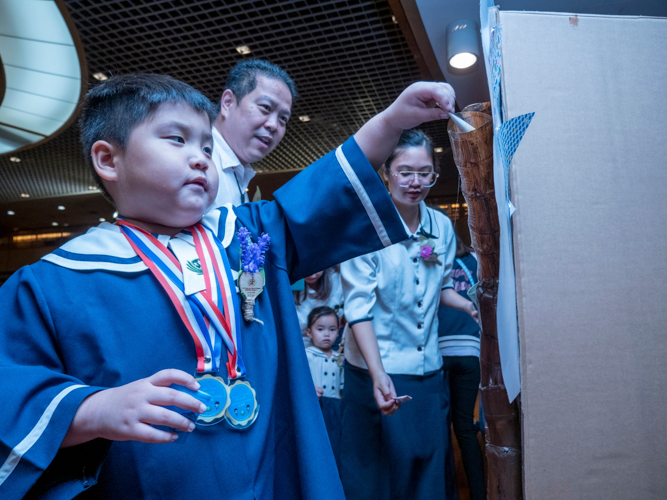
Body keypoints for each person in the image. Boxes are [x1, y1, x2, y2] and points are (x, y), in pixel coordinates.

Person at [0, 73, 456, 499]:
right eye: (176, 139)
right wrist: (92, 410)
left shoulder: (249, 237)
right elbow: (12, 392)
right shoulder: (54, 282)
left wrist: (394, 120)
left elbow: (325, 190)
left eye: (205, 142)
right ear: (108, 159)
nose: (200, 156)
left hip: (268, 467)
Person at [339, 129, 477, 500]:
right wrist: (378, 373)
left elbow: (441, 286)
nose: (415, 182)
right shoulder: (363, 225)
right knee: (379, 476)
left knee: (429, 470)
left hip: (427, 371)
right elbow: (358, 308)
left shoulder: (442, 226)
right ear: (386, 171)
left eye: (425, 173)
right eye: (405, 172)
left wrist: (467, 305)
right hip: (375, 371)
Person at [438, 232, 486, 500]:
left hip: (438, 351)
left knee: (440, 426)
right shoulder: (476, 260)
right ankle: (479, 493)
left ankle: (445, 492)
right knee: (465, 427)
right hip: (470, 351)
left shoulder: (433, 264)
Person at [211, 59, 296, 207]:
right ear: (228, 102)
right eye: (265, 107)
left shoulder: (239, 175)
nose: (273, 125)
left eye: (283, 118)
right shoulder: (196, 160)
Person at [305, 306, 344, 469]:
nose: (327, 334)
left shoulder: (340, 358)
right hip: (316, 407)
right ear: (309, 332)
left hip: (336, 407)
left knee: (336, 444)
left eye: (332, 329)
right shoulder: (306, 355)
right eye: (320, 329)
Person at [294, 267, 345, 347]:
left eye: (315, 266)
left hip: (332, 343)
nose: (311, 275)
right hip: (300, 345)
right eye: (305, 266)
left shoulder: (336, 278)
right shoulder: (289, 284)